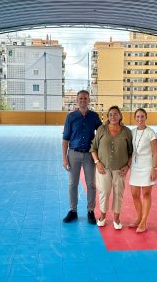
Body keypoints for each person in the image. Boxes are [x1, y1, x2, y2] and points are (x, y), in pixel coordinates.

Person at [62, 90, 102, 224]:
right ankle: (73, 211)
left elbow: (101, 135)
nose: (83, 100)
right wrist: (64, 158)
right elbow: (65, 139)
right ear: (77, 100)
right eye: (81, 98)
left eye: (85, 98)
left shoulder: (95, 116)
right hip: (73, 153)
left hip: (89, 154)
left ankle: (91, 211)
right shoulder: (71, 117)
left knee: (91, 184)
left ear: (89, 100)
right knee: (72, 184)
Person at [90, 106, 133, 230]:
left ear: (120, 116)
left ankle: (116, 218)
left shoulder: (126, 131)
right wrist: (97, 162)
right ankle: (102, 216)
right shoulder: (101, 129)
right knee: (104, 192)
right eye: (110, 114)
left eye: (115, 114)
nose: (113, 117)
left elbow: (131, 151)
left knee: (118, 193)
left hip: (120, 170)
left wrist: (128, 165)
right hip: (104, 168)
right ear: (107, 117)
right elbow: (93, 148)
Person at [128, 108, 157, 233]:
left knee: (146, 194)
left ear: (146, 117)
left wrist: (154, 169)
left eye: (142, 116)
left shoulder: (151, 133)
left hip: (147, 166)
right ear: (135, 118)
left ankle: (144, 221)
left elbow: (155, 153)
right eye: (138, 117)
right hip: (135, 166)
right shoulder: (131, 132)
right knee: (134, 194)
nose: (140, 119)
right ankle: (139, 217)